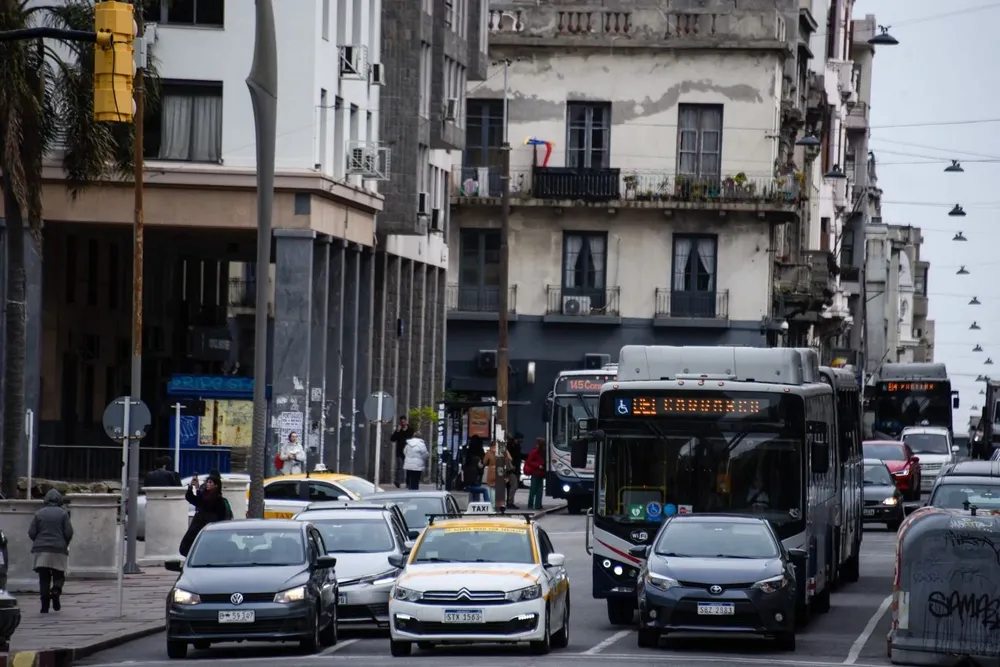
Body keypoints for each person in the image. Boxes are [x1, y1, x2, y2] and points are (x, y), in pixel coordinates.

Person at [28, 489, 73, 613]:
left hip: (41, 549)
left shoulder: (38, 513)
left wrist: (38, 542)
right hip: (58, 548)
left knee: (43, 578)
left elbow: (32, 532)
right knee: (59, 574)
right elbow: (69, 532)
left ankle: (44, 605)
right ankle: (56, 590)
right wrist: (65, 543)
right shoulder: (63, 514)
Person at [179, 471, 229, 557]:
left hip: (209, 527)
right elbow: (193, 499)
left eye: (210, 482)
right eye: (207, 482)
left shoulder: (218, 499)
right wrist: (191, 487)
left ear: (216, 485)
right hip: (198, 525)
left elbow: (220, 515)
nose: (208, 484)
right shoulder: (204, 494)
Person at [483, 441, 512, 507]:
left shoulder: (489, 452)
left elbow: (484, 462)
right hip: (500, 470)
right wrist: (506, 451)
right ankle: (501, 505)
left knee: (492, 488)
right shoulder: (502, 451)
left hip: (491, 471)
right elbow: (510, 459)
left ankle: (492, 506)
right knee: (500, 488)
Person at [523, 438, 547, 511]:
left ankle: (536, 505)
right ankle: (534, 505)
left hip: (540, 473)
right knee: (535, 490)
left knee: (537, 490)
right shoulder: (535, 451)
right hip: (536, 472)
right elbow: (530, 461)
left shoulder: (539, 451)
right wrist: (538, 465)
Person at [391, 418, 415, 488]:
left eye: (404, 422)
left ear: (406, 422)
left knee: (408, 467)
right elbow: (392, 439)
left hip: (408, 451)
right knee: (399, 467)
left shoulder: (410, 429)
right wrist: (397, 431)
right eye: (402, 422)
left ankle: (408, 482)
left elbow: (412, 438)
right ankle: (398, 481)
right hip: (399, 451)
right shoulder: (399, 430)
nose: (403, 423)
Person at [463, 437, 488, 503]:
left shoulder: (469, 452)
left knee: (472, 493)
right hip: (477, 475)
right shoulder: (479, 453)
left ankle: (472, 505)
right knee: (478, 491)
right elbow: (482, 464)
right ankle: (476, 505)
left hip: (469, 478)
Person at [505, 432, 524, 509]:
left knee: (511, 486)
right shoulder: (512, 446)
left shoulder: (513, 445)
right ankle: (509, 503)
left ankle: (509, 502)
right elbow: (514, 457)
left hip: (513, 469)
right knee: (514, 486)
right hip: (512, 469)